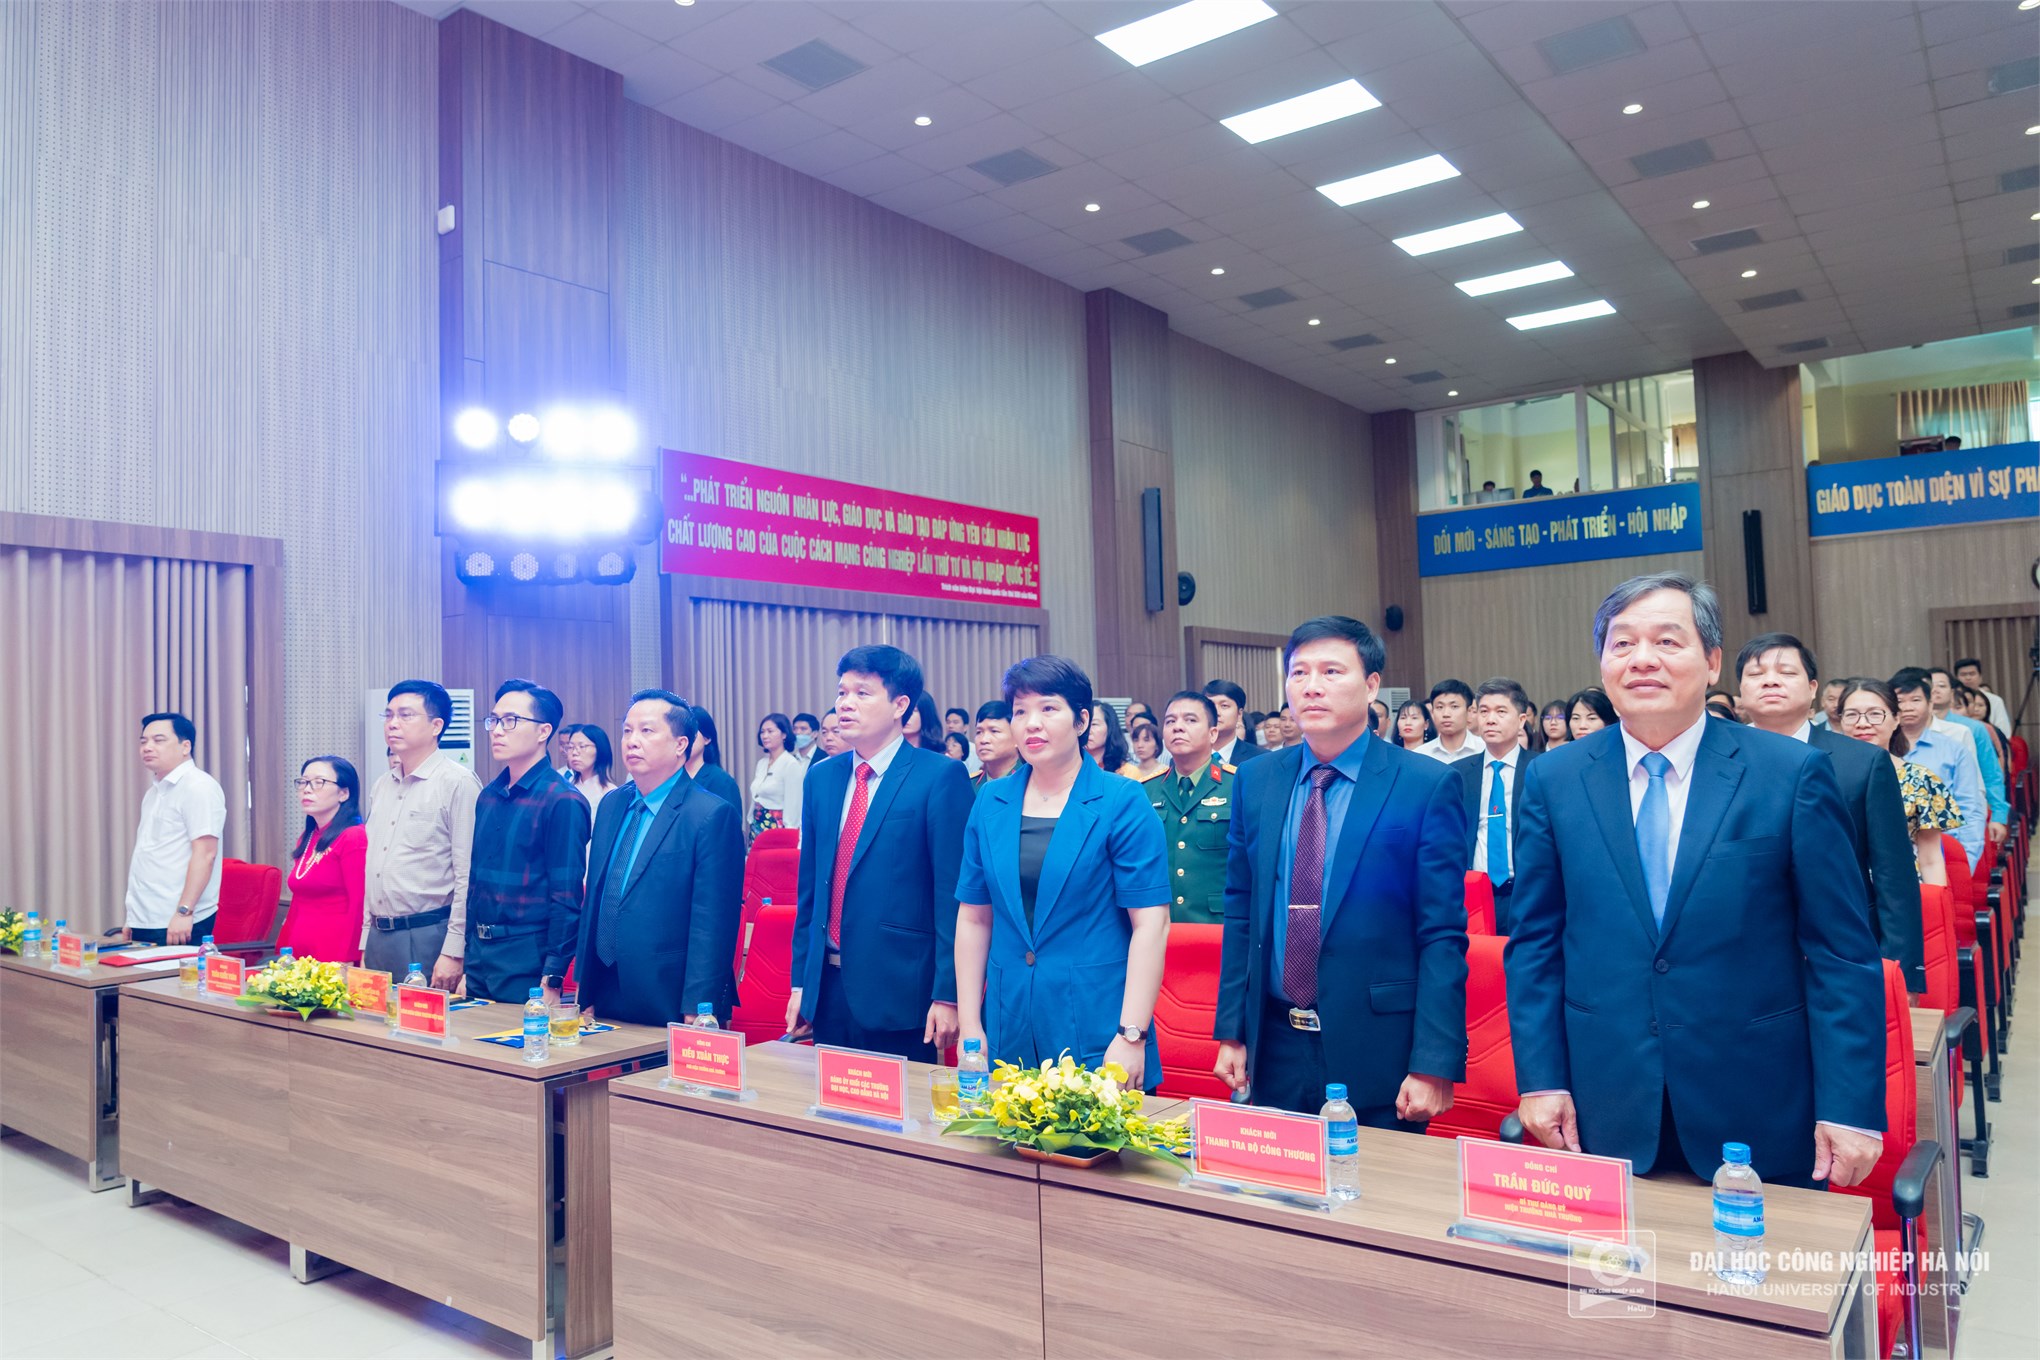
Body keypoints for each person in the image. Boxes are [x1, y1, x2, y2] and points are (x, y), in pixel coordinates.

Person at [1506, 573, 1884, 1189]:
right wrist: (1541, 1078)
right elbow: (1535, 944)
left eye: (1666, 641)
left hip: (1759, 1103)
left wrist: (1849, 1107)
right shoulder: (1556, 778)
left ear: (1711, 663)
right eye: (1622, 643)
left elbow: (1840, 953)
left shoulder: (1790, 773)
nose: (1642, 659)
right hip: (1604, 1105)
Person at [1214, 616, 1467, 1123]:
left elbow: (1441, 931)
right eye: (1299, 672)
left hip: (1379, 1046)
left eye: (1331, 671)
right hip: (1275, 1042)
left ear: (1371, 685)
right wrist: (1233, 1030)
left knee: (1375, 1175)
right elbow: (1241, 910)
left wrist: (1434, 1060)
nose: (1311, 686)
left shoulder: (1424, 783)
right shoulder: (1257, 779)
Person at [956, 656, 1171, 1086]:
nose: (1031, 723)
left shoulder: (1121, 800)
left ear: (1082, 721)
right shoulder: (990, 801)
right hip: (1009, 1022)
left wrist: (1131, 1034)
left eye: (1049, 708)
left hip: (1097, 1025)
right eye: (1020, 711)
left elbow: (1152, 924)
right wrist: (970, 1028)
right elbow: (974, 918)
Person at [788, 646, 972, 1061]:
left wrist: (949, 994)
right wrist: (802, 984)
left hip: (901, 992)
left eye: (862, 693)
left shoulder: (939, 776)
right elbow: (810, 893)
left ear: (900, 705)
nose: (845, 703)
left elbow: (951, 896)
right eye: (842, 692)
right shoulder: (821, 778)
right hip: (827, 991)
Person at [1737, 635, 1924, 994]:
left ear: (1812, 689)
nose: (1771, 681)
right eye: (1756, 674)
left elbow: (1893, 874)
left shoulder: (1863, 762)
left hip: (1843, 954)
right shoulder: (1713, 761)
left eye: (1786, 672)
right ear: (1741, 690)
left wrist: (1903, 974)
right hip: (1742, 958)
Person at [575, 690, 743, 1027]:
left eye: (646, 731)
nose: (632, 741)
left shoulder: (710, 814)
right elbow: (597, 896)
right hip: (604, 987)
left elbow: (713, 922)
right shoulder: (611, 804)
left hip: (670, 995)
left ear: (681, 744)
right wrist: (585, 985)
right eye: (627, 731)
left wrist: (700, 1006)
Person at [464, 680, 592, 1003]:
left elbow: (566, 897)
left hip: (526, 959)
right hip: (479, 956)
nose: (497, 731)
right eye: (494, 720)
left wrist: (553, 976)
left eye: (510, 721)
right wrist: (467, 957)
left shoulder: (562, 800)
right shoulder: (488, 796)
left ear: (543, 731)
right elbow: (475, 884)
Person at [362, 681, 480, 987]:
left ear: (436, 726)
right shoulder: (382, 785)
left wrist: (453, 950)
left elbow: (467, 875)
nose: (393, 723)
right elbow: (373, 866)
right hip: (379, 935)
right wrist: (365, 939)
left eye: (405, 715)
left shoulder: (458, 782)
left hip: (428, 934)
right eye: (388, 715)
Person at [1837, 679, 1962, 886]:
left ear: (1896, 719)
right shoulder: (1825, 776)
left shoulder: (1920, 779)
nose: (1862, 723)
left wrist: (1934, 902)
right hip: (1844, 891)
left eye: (1875, 714)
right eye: (1851, 715)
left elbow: (1930, 860)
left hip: (1905, 891)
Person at [125, 712, 226, 946]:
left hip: (178, 920)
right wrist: (133, 918)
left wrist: (184, 912)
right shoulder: (154, 792)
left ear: (185, 746)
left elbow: (206, 854)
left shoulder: (199, 787)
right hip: (146, 918)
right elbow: (149, 856)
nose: (148, 747)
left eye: (158, 740)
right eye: (143, 741)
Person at [1452, 680, 1536, 934]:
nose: (1490, 719)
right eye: (1484, 711)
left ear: (1521, 720)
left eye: (1501, 711)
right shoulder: (1458, 774)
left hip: (1526, 893)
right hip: (1472, 896)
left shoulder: (1540, 770)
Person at [1144, 691, 1234, 925]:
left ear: (1213, 733)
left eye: (1190, 720)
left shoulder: (1237, 785)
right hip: (1159, 924)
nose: (1178, 727)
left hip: (1218, 925)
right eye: (1170, 721)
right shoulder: (1145, 790)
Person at [1890, 668, 1987, 867]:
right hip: (1893, 857)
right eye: (1900, 701)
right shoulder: (1880, 750)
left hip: (1945, 853)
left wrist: (1965, 860)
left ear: (1930, 704)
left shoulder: (1953, 749)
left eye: (1915, 700)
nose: (1907, 707)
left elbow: (1970, 807)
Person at [277, 756, 367, 963]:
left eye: (319, 782)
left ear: (344, 793)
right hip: (300, 950)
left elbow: (359, 904)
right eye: (303, 782)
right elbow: (298, 902)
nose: (307, 790)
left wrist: (350, 957)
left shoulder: (354, 837)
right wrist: (284, 950)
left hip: (335, 953)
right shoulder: (308, 837)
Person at [1928, 667, 2009, 850]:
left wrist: (1998, 816)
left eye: (1941, 685)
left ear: (1953, 692)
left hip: (1968, 815)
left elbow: (1991, 774)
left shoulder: (1973, 729)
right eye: (1931, 686)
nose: (1935, 690)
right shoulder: (1909, 729)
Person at [748, 713, 806, 837]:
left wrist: (791, 832)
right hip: (757, 824)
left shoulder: (790, 764)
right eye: (762, 732)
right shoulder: (762, 763)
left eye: (770, 731)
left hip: (777, 826)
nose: (765, 736)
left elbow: (793, 804)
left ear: (784, 735)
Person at [684, 705, 743, 812]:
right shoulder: (669, 776)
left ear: (707, 739)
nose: (686, 740)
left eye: (692, 733)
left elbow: (730, 820)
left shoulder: (722, 781)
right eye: (683, 733)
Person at [1202, 680, 1265, 765]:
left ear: (1239, 714)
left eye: (1224, 706)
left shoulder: (1261, 758)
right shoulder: (1186, 755)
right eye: (1210, 706)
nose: (1216, 712)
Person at [1415, 679, 1476, 762]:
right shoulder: (1420, 755)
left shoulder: (1485, 749)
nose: (1446, 714)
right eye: (1440, 707)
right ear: (1432, 712)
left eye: (1454, 706)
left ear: (1469, 711)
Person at [1953, 657, 2012, 740]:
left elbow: (2004, 732)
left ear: (1980, 677)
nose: (1968, 678)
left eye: (1972, 674)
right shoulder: (1951, 700)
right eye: (1963, 675)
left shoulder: (1995, 700)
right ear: (1956, 678)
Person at [561, 724, 618, 809]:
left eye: (582, 746)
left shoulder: (609, 792)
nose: (574, 753)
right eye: (570, 747)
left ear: (599, 749)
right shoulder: (566, 786)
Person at [972, 700, 1020, 789]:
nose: (983, 740)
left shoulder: (1030, 779)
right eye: (979, 732)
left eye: (994, 731)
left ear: (1017, 738)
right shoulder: (969, 785)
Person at [1085, 701, 1131, 775]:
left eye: (1094, 724)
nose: (1087, 730)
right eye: (1083, 723)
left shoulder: (1127, 771)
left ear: (1110, 728)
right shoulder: (1070, 770)